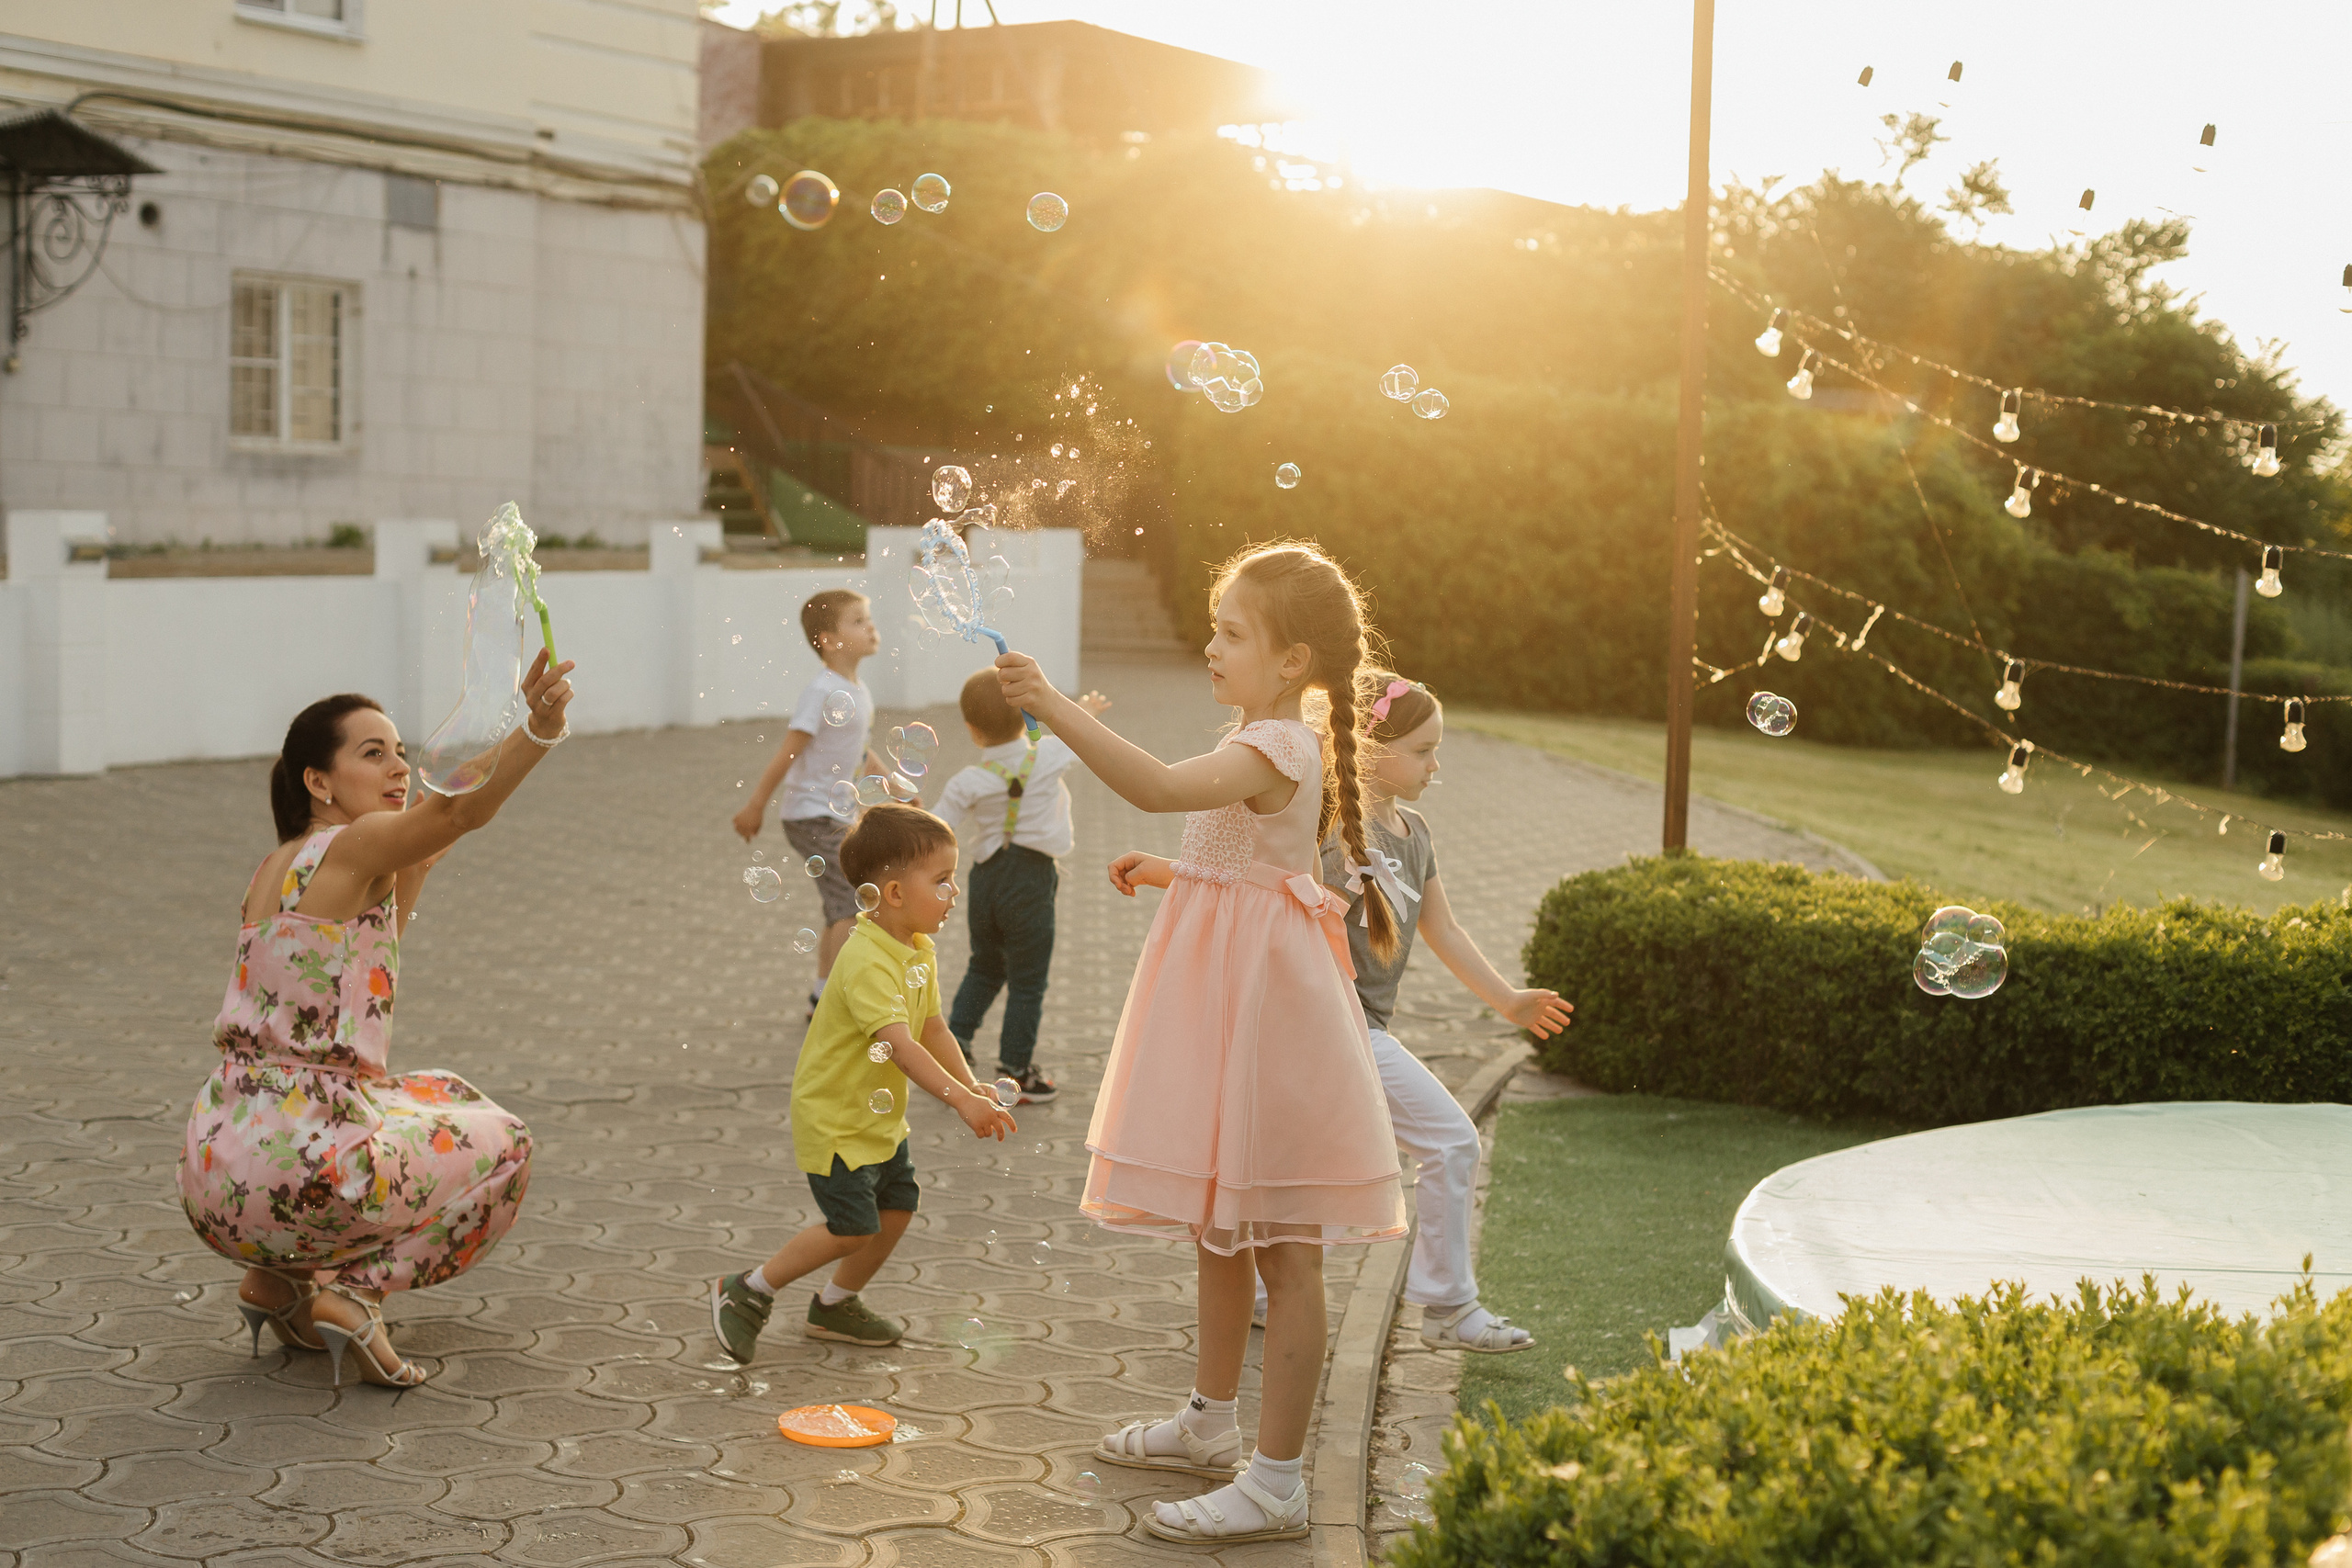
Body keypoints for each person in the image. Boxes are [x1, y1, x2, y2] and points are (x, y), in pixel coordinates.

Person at [995, 540, 1407, 1546]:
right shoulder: (1265, 735)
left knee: (1284, 1248)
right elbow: (1250, 868)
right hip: (1236, 996)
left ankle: (1274, 1482)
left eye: (1232, 631)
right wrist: (1172, 874)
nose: (1211, 645)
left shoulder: (1281, 746)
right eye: (1215, 626)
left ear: (1294, 658)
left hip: (1267, 1014)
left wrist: (1053, 705)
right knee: (1221, 1230)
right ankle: (1210, 1424)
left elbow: (1159, 787)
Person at [177, 650, 576, 1389]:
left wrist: (490, 754)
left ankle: (277, 1281)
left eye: (401, 751)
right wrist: (539, 728)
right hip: (308, 1168)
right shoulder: (352, 844)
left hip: (219, 1167)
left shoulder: (280, 865)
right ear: (318, 782)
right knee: (508, 1144)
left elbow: (441, 822)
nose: (398, 766)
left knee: (441, 1094)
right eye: (373, 754)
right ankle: (353, 1295)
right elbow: (457, 810)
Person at [1250, 672, 1572, 1350]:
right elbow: (1257, 881)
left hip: (1358, 1027)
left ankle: (1262, 1291)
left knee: (1323, 1162)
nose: (1435, 765)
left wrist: (1508, 999)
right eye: (1424, 749)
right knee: (1450, 1140)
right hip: (1329, 1023)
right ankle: (1450, 1306)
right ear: (1371, 744)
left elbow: (1444, 929)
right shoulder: (1326, 820)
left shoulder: (1415, 832)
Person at [709, 803, 1017, 1361]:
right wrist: (958, 1104)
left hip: (875, 1117)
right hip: (835, 1119)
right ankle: (747, 1289)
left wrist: (973, 1087)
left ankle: (835, 1305)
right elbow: (901, 1048)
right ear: (894, 894)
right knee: (852, 1227)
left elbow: (933, 1027)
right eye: (943, 881)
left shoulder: (916, 948)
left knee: (898, 1205)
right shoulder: (868, 961)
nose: (954, 893)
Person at [933, 669, 1112, 1104]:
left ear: (973, 731)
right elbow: (1079, 735)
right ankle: (1015, 1069)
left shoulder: (967, 781)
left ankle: (951, 1049)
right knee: (1027, 982)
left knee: (984, 966)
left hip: (986, 880)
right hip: (1031, 882)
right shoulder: (1048, 755)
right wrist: (1085, 710)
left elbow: (936, 830)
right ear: (1026, 714)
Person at [732, 589, 898, 1013]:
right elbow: (790, 750)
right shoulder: (822, 691)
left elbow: (859, 749)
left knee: (845, 903)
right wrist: (755, 805)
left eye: (869, 618)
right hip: (812, 815)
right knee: (851, 900)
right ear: (828, 639)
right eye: (858, 621)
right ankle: (832, 998)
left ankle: (823, 993)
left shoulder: (857, 690)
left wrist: (899, 791)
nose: (870, 626)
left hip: (835, 812)